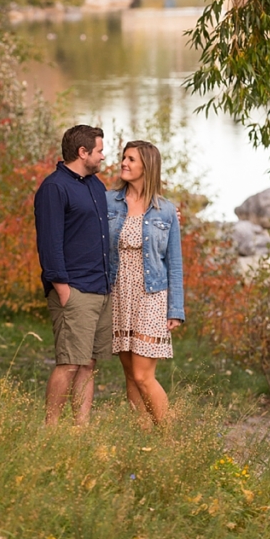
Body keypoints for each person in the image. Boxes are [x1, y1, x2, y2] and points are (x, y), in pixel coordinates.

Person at [34, 124, 111, 425]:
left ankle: (81, 429)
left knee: (88, 364)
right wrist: (62, 289)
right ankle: (51, 429)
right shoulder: (54, 188)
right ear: (83, 152)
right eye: (100, 150)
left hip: (99, 288)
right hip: (74, 290)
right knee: (69, 363)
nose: (103, 157)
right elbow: (49, 243)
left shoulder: (96, 185)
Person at [106, 140, 184, 424]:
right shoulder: (108, 201)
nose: (124, 163)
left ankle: (170, 436)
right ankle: (143, 435)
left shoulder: (165, 211)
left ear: (146, 166)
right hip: (119, 293)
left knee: (143, 374)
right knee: (129, 374)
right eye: (123, 158)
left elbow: (174, 262)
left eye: (131, 159)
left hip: (151, 295)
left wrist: (175, 309)